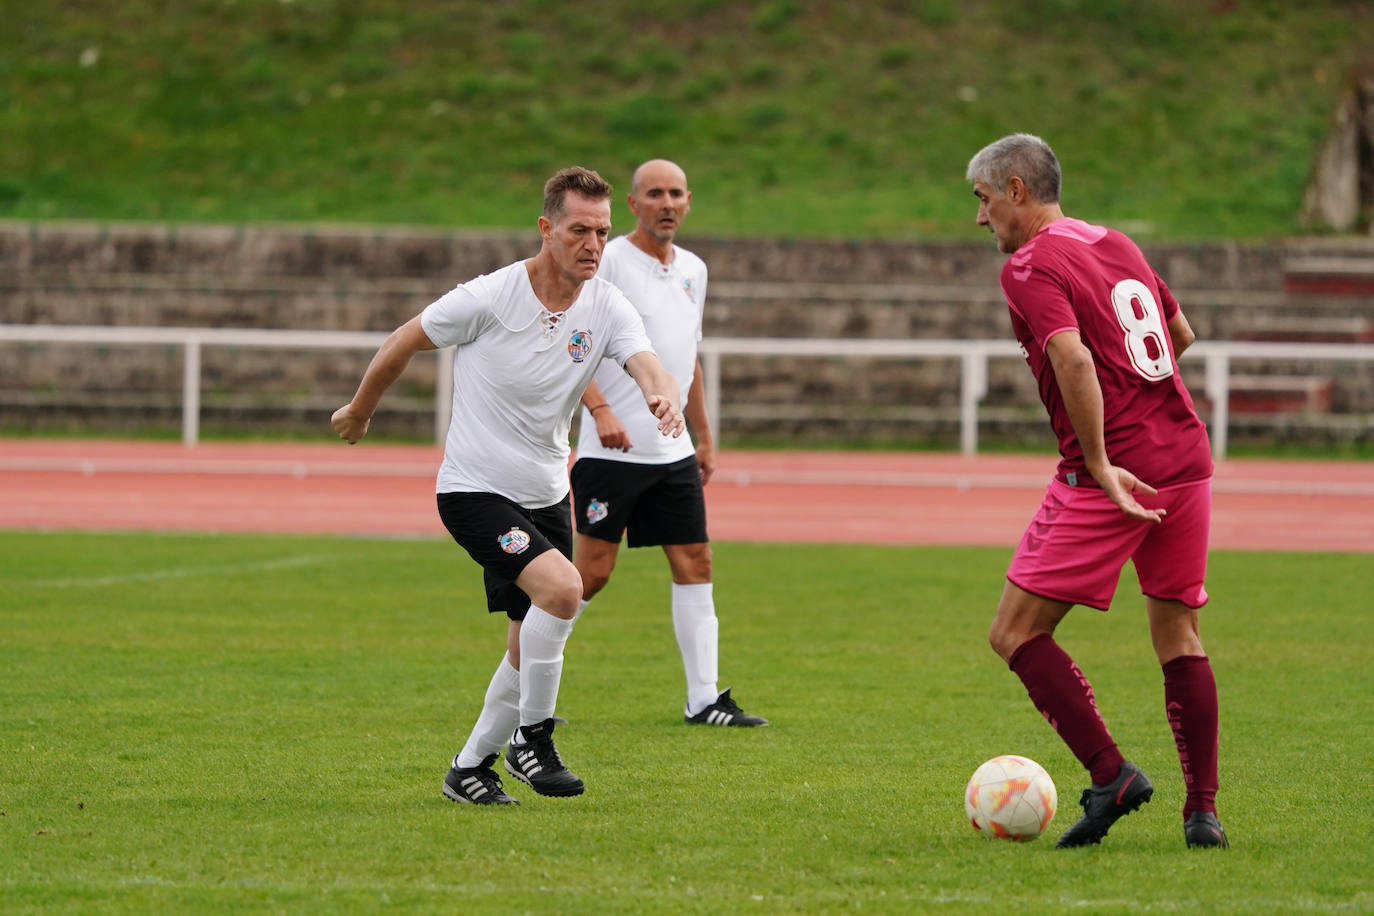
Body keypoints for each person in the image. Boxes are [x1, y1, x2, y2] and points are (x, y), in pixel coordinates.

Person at [331, 166, 685, 805]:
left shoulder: (606, 303)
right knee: (564, 591)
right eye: (580, 230)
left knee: (529, 638)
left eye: (603, 232)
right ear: (547, 229)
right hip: (473, 490)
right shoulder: (490, 296)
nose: (594, 246)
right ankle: (533, 738)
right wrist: (360, 410)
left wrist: (664, 398)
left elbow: (645, 362)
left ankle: (468, 768)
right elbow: (398, 345)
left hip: (548, 491)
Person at [965, 133, 1227, 849]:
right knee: (1179, 633)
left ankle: (1111, 775)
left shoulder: (1028, 264)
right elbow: (1181, 332)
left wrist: (1105, 461)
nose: (980, 218)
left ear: (1017, 190)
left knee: (1014, 632)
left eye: (984, 200)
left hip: (1114, 473)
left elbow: (1071, 356)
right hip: (1186, 457)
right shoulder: (1113, 241)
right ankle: (1201, 813)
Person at [570, 159, 767, 728]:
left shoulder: (694, 270)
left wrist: (704, 436)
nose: (666, 203)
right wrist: (602, 410)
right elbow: (574, 344)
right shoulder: (607, 263)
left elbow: (687, 359)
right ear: (632, 204)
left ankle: (704, 700)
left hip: (673, 453)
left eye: (676, 193)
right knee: (590, 574)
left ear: (688, 202)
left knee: (695, 561)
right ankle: (528, 687)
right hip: (614, 452)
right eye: (654, 193)